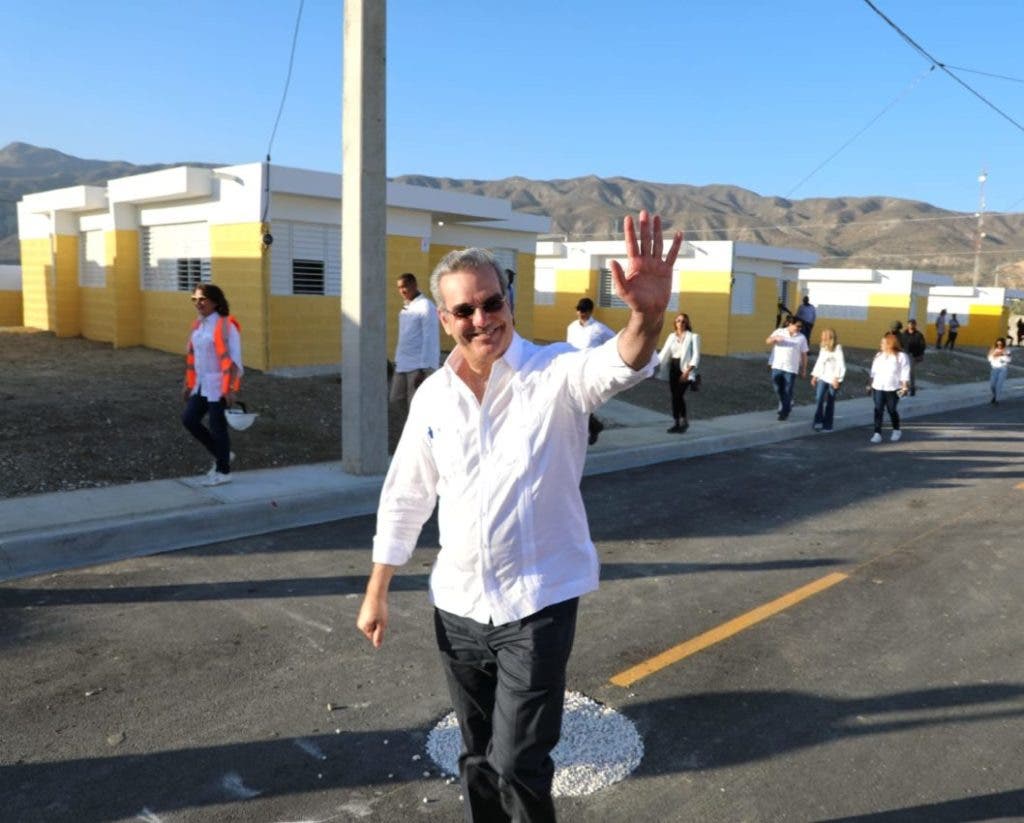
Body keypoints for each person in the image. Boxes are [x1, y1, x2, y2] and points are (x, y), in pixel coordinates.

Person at [356, 211, 682, 823]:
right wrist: (378, 589)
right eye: (465, 311)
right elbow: (406, 494)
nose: (482, 320)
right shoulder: (433, 397)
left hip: (536, 607)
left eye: (491, 302)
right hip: (456, 610)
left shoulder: (555, 373)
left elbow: (621, 362)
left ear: (507, 299)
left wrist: (646, 316)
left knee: (517, 766)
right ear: (445, 318)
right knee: (477, 759)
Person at [181, 284, 243, 486]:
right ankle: (222, 455)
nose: (198, 303)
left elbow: (234, 360)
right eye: (195, 299)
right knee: (189, 419)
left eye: (202, 299)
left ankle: (224, 471)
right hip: (200, 384)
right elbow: (193, 357)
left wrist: (232, 389)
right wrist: (188, 384)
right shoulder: (199, 325)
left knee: (218, 428)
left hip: (219, 385)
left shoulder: (226, 326)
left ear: (215, 302)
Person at [390, 273, 440, 421]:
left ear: (414, 285)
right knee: (395, 399)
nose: (402, 291)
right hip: (403, 364)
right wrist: (397, 361)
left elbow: (430, 339)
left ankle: (423, 438)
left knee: (417, 405)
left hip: (418, 367)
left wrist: (424, 369)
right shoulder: (407, 308)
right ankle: (413, 430)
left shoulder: (426, 306)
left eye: (405, 286)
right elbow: (405, 338)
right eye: (399, 287)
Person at [566, 297, 615, 444]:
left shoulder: (599, 329)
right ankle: (593, 426)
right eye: (579, 309)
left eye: (584, 310)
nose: (581, 313)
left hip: (589, 370)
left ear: (590, 311)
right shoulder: (572, 327)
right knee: (574, 400)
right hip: (573, 368)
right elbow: (569, 345)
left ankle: (591, 427)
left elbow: (614, 341)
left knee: (583, 400)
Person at [656, 313, 701, 433]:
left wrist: (687, 372)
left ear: (687, 324)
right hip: (673, 368)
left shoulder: (693, 337)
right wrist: (650, 366)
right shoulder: (671, 336)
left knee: (678, 395)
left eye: (683, 322)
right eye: (678, 321)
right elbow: (664, 352)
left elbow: (696, 355)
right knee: (675, 397)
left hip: (686, 369)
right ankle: (678, 422)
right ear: (675, 323)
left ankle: (683, 421)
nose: (680, 323)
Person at [868, 332, 910, 444]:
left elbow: (905, 373)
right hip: (878, 387)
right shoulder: (878, 356)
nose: (880, 344)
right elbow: (873, 372)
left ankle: (896, 430)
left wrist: (904, 387)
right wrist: (869, 385)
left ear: (890, 344)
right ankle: (877, 433)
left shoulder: (901, 356)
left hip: (893, 388)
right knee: (878, 409)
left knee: (891, 409)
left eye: (883, 343)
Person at [766, 316, 808, 421]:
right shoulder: (780, 331)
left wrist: (803, 369)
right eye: (797, 326)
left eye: (801, 327)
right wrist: (775, 338)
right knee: (777, 388)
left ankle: (784, 412)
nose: (799, 328)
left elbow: (804, 354)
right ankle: (787, 402)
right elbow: (767, 341)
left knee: (787, 389)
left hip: (791, 368)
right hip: (777, 366)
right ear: (790, 324)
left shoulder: (801, 338)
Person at [809, 328, 844, 432]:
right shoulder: (823, 348)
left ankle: (828, 425)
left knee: (830, 401)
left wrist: (837, 378)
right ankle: (818, 421)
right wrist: (814, 376)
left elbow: (841, 365)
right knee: (819, 399)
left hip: (833, 379)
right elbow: (819, 362)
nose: (821, 337)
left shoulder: (837, 348)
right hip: (823, 377)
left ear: (829, 337)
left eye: (823, 336)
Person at [899, 318, 926, 396]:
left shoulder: (919, 335)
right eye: (909, 324)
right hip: (905, 355)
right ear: (907, 325)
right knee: (903, 372)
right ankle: (904, 389)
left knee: (910, 372)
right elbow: (900, 344)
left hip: (914, 356)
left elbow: (922, 346)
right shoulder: (904, 334)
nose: (911, 325)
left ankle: (912, 388)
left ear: (915, 325)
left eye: (912, 324)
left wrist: (920, 355)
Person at [988, 337, 1012, 404]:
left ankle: (996, 399)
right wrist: (994, 356)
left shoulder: (1007, 350)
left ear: (1003, 344)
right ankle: (994, 395)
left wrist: (1002, 355)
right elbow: (989, 359)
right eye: (998, 344)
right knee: (992, 385)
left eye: (1001, 344)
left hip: (1003, 369)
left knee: (999, 385)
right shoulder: (992, 350)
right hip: (994, 368)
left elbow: (1009, 360)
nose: (999, 345)